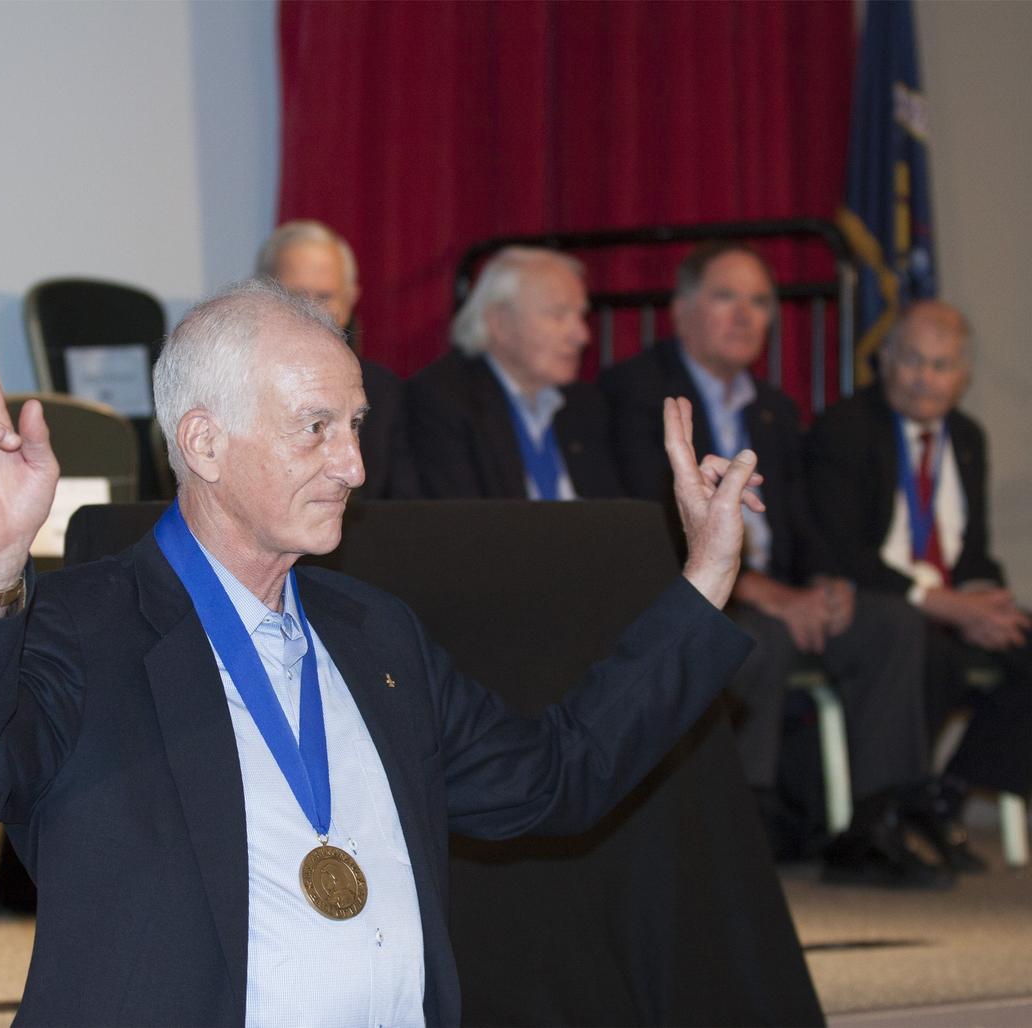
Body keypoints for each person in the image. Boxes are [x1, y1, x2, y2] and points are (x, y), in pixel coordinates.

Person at [0, 278, 760, 1026]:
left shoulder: (377, 634)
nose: (354, 465)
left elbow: (556, 777)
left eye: (357, 424)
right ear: (205, 443)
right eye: (315, 427)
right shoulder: (82, 625)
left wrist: (705, 582)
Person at [601, 241, 947, 887]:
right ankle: (745, 825)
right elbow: (647, 525)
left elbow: (802, 523)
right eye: (726, 297)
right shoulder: (637, 393)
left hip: (780, 591)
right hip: (695, 590)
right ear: (681, 310)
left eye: (760, 301)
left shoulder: (774, 408)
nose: (746, 315)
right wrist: (766, 592)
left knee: (891, 623)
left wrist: (826, 583)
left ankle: (878, 820)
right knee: (754, 637)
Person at [806, 299, 1032, 868]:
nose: (925, 378)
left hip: (949, 604)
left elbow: (972, 546)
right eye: (913, 361)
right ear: (884, 361)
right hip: (881, 603)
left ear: (963, 377)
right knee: (932, 653)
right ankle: (897, 807)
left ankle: (948, 791)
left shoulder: (968, 437)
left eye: (942, 365)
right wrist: (946, 605)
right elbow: (841, 551)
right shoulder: (846, 428)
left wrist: (983, 595)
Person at [406, 246, 621, 499]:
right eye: (559, 315)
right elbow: (460, 524)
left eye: (581, 315)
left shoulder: (584, 402)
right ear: (499, 323)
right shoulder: (444, 399)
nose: (582, 335)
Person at [256, 218, 419, 498]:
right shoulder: (237, 384)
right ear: (262, 293)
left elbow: (405, 506)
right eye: (296, 294)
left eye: (324, 296)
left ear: (350, 298)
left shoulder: (383, 390)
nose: (311, 310)